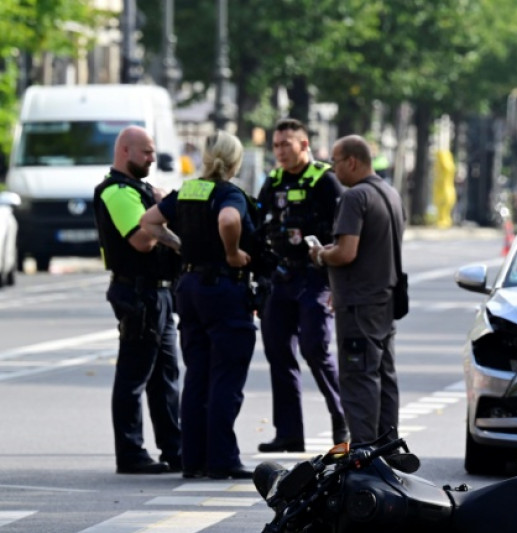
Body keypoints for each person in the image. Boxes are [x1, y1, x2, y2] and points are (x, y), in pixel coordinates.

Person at [140, 130, 257, 480]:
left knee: (197, 374)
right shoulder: (229, 193)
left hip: (189, 287)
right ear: (235, 162)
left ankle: (193, 460)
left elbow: (148, 222)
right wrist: (232, 252)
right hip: (223, 289)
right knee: (226, 375)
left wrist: (181, 247)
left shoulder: (188, 190)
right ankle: (221, 460)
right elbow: (229, 220)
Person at [92, 125, 181, 475]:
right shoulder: (117, 191)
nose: (152, 158)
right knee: (135, 375)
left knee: (166, 376)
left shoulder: (139, 190)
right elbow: (141, 240)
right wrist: (163, 211)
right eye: (146, 152)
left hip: (157, 292)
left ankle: (175, 449)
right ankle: (130, 453)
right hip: (138, 294)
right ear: (125, 151)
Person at [256, 118, 349, 452]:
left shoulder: (326, 181)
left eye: (286, 144)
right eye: (276, 145)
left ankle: (343, 421)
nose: (280, 151)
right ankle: (289, 433)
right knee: (278, 352)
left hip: (316, 277)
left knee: (315, 348)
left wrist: (338, 284)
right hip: (282, 277)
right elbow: (257, 228)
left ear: (304, 145)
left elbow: (345, 234)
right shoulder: (273, 182)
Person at [309, 135, 405, 446]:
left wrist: (321, 255)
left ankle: (364, 455)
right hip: (385, 299)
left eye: (335, 161)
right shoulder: (389, 193)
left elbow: (347, 252)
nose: (333, 168)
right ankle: (388, 449)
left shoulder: (355, 197)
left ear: (351, 161)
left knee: (358, 379)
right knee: (384, 376)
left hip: (359, 304)